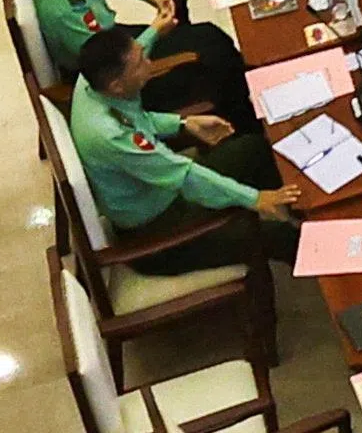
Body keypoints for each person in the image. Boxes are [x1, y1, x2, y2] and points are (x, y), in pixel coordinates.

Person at [66, 21, 302, 269]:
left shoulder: (91, 81)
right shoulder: (111, 136)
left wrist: (183, 123)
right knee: (277, 237)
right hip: (156, 230)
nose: (149, 63)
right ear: (117, 85)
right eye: (140, 63)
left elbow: (139, 120)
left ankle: (302, 210)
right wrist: (255, 199)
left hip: (163, 191)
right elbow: (184, 175)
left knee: (254, 149)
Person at [22, 0, 255, 133]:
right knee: (214, 59)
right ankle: (245, 126)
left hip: (114, 40)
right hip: (112, 75)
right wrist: (154, 32)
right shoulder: (61, 13)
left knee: (210, 36)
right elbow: (108, 63)